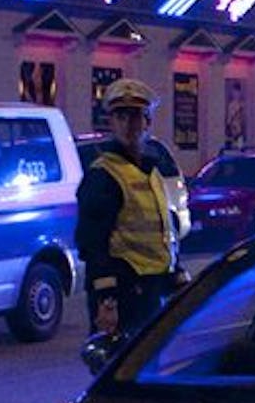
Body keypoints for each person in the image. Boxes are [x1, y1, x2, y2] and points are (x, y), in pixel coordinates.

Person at [75, 78, 186, 342]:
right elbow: (92, 244)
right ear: (111, 123)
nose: (128, 125)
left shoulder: (151, 171)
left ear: (147, 122)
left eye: (135, 117)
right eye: (121, 117)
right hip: (125, 294)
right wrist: (106, 299)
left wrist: (177, 275)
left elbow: (163, 229)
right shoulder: (103, 174)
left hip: (153, 290)